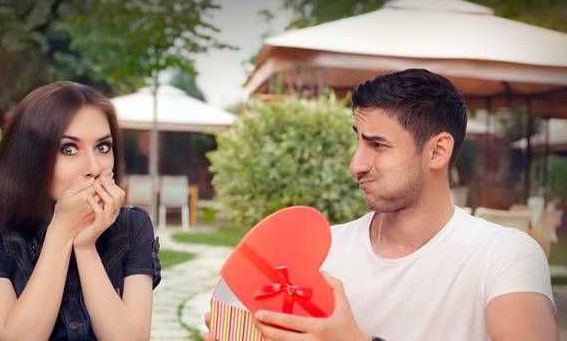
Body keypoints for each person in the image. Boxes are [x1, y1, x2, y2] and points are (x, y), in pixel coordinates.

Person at [203, 69, 556, 340]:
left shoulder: (506, 254)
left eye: (377, 145)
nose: (356, 164)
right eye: (358, 142)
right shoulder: (322, 253)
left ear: (437, 151)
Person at [0, 81, 161, 340]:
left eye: (102, 147)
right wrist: (61, 233)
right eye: (69, 149)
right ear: (30, 156)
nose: (94, 167)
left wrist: (85, 248)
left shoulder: (132, 227)